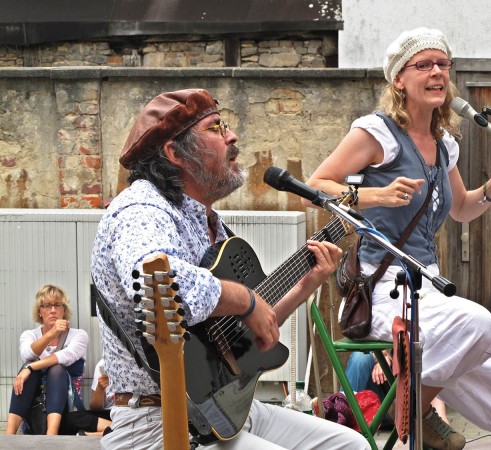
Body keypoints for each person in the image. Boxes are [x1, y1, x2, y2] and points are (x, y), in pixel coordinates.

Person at [90, 88, 370, 450]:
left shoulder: (211, 224)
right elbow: (157, 280)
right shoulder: (141, 209)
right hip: (154, 422)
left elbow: (242, 337)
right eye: (216, 127)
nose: (232, 135)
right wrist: (246, 299)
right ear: (175, 153)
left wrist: (305, 285)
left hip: (223, 410)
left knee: (353, 446)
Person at [305, 27, 491, 450]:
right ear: (399, 78)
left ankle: (418, 406)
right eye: (425, 65)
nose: (438, 73)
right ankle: (416, 411)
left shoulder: (443, 142)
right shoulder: (375, 132)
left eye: (443, 65)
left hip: (428, 291)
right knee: (479, 324)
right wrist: (373, 195)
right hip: (381, 290)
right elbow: (315, 183)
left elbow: (461, 208)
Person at [5, 284, 89, 435]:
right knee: (28, 365)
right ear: (39, 311)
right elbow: (27, 354)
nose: (53, 310)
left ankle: (52, 435)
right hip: (36, 410)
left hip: (68, 409)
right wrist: (51, 334)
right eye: (47, 305)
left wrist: (29, 368)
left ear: (64, 310)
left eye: (58, 305)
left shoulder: (79, 335)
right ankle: (8, 435)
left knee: (54, 369)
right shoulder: (29, 335)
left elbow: (64, 357)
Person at [61, 358, 113, 436]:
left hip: (133, 414)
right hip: (111, 415)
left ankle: (102, 433)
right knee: (68, 420)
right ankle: (115, 430)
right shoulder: (104, 364)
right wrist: (100, 388)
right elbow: (95, 408)